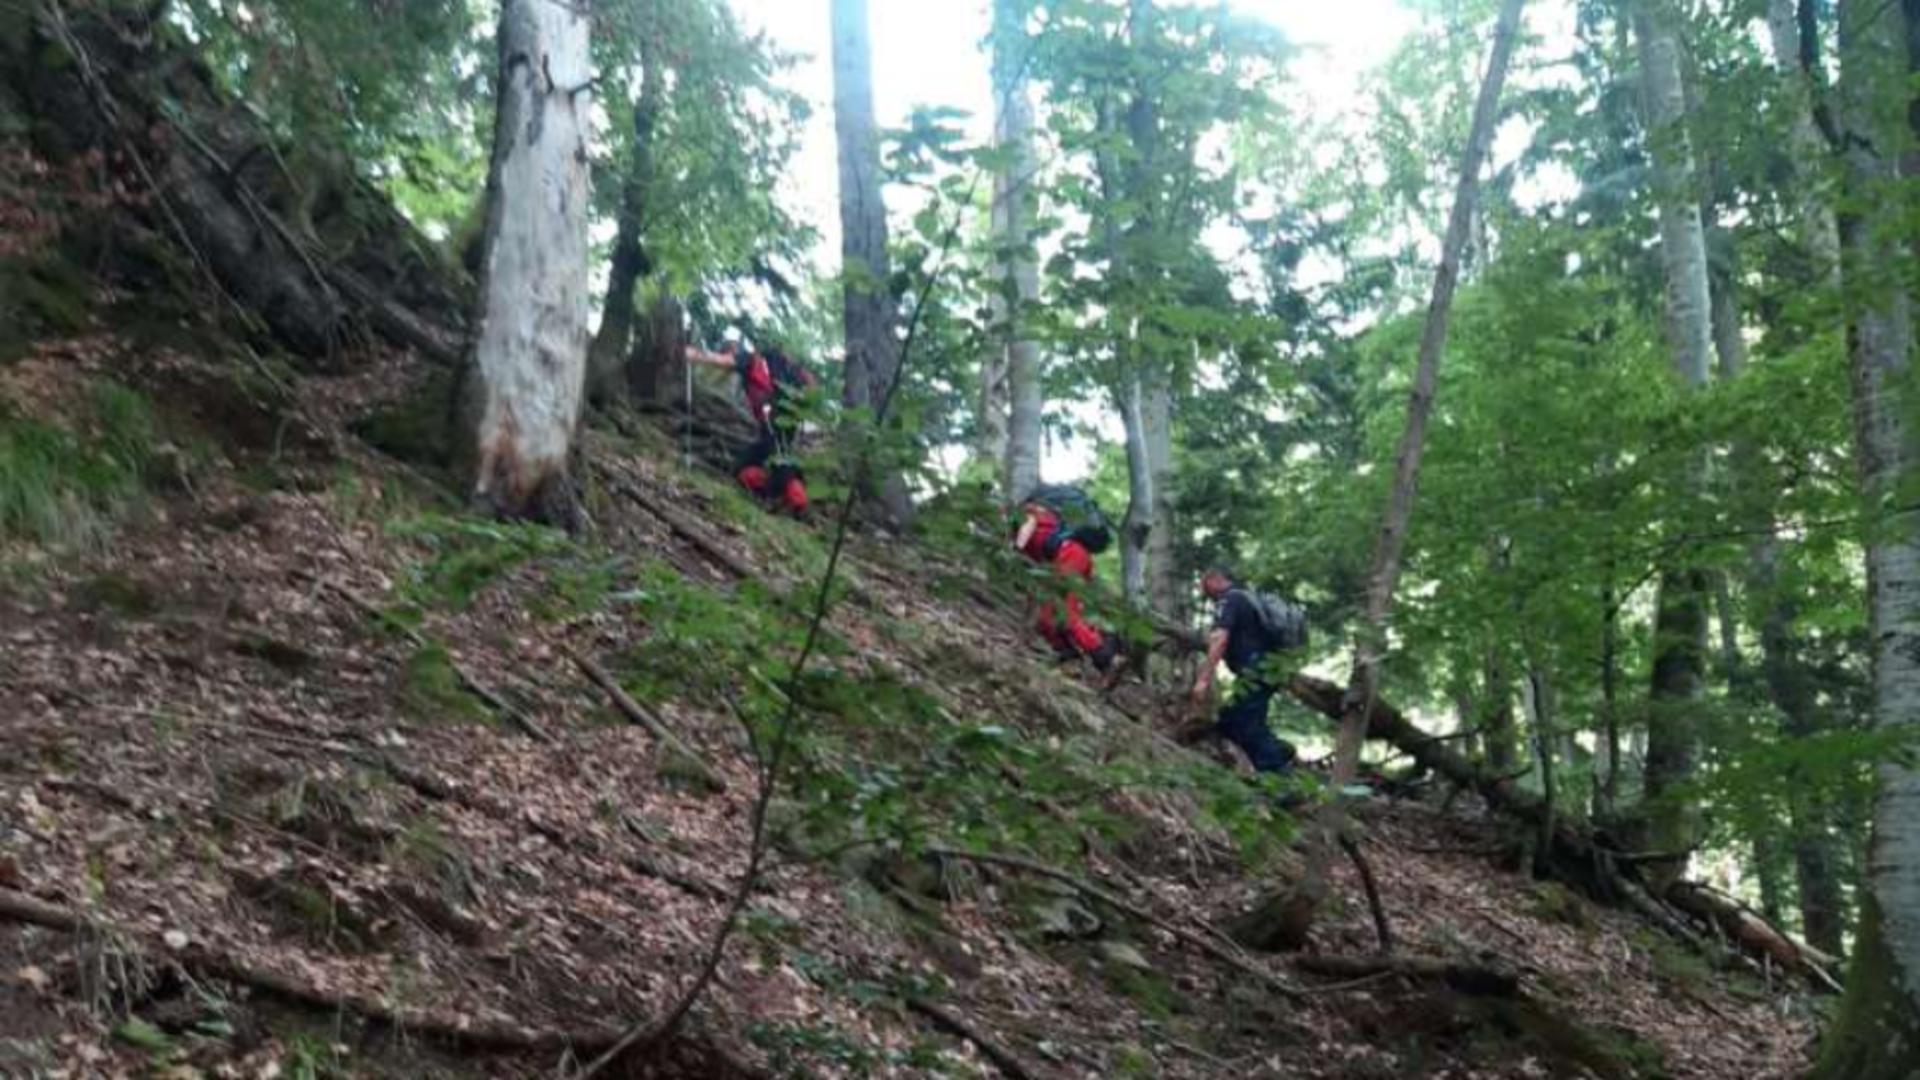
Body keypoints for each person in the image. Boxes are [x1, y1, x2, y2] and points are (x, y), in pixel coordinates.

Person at [685, 339, 815, 516]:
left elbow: (721, 360)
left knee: (782, 464)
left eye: (729, 351)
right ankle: (777, 492)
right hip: (781, 421)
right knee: (747, 465)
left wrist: (693, 354)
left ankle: (798, 503)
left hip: (774, 420)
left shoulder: (747, 359)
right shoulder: (769, 366)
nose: (730, 354)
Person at [1189, 567, 1299, 775]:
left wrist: (1203, 679)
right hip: (1268, 669)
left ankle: (1281, 779)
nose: (1204, 592)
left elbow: (1220, 639)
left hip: (1255, 670)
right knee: (1230, 719)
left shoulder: (1229, 600)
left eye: (1205, 585)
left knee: (1246, 723)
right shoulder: (1249, 599)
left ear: (1215, 579)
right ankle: (1281, 750)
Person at [1013, 490, 1120, 682]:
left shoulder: (1028, 511)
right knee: (1046, 619)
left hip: (1070, 555)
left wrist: (1016, 549)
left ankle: (1106, 656)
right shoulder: (1043, 522)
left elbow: (1029, 525)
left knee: (1063, 614)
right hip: (1071, 558)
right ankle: (1072, 659)